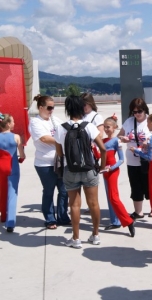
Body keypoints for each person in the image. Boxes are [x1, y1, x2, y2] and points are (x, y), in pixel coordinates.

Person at [54, 95, 106, 248]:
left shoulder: (61, 128)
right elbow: (103, 148)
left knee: (74, 205)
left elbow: (59, 153)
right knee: (93, 204)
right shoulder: (88, 126)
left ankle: (76, 239)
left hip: (70, 169)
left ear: (67, 109)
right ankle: (95, 235)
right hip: (89, 169)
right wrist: (102, 166)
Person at [29, 95, 70, 229]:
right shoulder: (36, 122)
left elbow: (66, 130)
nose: (52, 110)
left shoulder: (55, 119)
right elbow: (44, 138)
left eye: (53, 107)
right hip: (44, 163)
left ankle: (63, 216)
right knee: (49, 191)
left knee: (64, 191)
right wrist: (61, 140)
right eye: (49, 107)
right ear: (40, 108)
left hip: (60, 161)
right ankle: (50, 219)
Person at [102, 114, 135, 237]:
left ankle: (128, 221)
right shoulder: (102, 140)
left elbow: (121, 160)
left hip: (112, 171)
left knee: (114, 198)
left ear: (115, 127)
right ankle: (115, 221)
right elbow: (99, 155)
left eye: (108, 127)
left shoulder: (116, 141)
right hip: (104, 171)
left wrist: (111, 168)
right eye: (104, 127)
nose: (106, 129)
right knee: (110, 198)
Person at [117, 98, 151, 219]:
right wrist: (123, 138)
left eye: (139, 111)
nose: (137, 114)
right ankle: (138, 211)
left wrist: (148, 142)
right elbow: (119, 135)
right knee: (135, 185)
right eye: (134, 112)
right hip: (132, 159)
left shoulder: (150, 120)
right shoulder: (129, 121)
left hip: (147, 159)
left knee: (150, 185)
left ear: (144, 110)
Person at [0, 113, 25, 232]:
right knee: (12, 194)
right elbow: (22, 154)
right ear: (8, 124)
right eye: (13, 121)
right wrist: (21, 159)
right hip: (12, 167)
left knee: (2, 192)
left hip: (0, 167)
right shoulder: (16, 137)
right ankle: (10, 222)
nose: (14, 123)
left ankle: (3, 216)